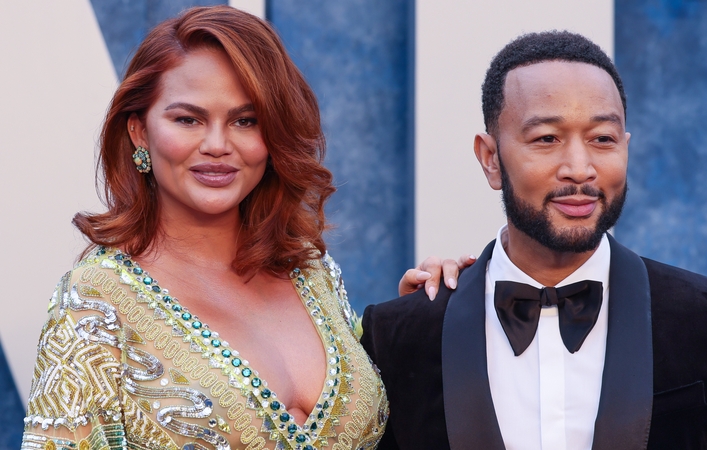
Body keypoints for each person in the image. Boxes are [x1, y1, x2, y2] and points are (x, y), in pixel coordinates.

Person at [20, 6, 459, 449]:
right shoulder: (95, 303)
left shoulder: (312, 270)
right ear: (139, 132)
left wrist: (415, 319)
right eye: (188, 119)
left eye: (245, 121)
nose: (217, 145)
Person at [361, 31, 707, 450]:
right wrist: (419, 315)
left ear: (625, 147)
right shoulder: (399, 333)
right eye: (546, 139)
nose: (580, 169)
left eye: (602, 139)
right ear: (491, 159)